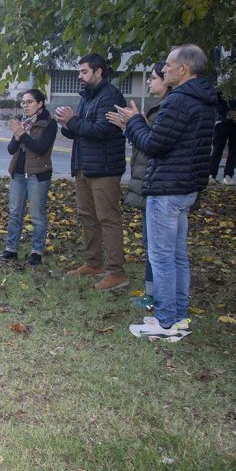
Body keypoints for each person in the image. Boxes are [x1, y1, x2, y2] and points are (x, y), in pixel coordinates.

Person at [111, 44, 216, 342]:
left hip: (168, 189)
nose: (164, 69)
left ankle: (166, 321)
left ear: (183, 68)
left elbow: (155, 145)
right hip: (186, 188)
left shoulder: (178, 101)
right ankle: (178, 315)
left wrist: (132, 122)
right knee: (177, 256)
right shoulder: (204, 99)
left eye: (168, 65)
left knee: (162, 257)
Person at [55, 53, 128, 291]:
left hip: (104, 168)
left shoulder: (111, 96)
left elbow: (103, 130)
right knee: (87, 215)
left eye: (84, 72)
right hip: (84, 166)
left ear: (98, 72)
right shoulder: (88, 97)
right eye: (80, 72)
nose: (80, 76)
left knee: (108, 218)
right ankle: (93, 263)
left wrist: (73, 121)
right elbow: (80, 131)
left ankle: (116, 272)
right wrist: (67, 125)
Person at [107, 62, 170, 310]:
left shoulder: (168, 109)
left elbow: (155, 145)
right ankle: (152, 294)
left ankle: (160, 300)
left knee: (158, 247)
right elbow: (146, 142)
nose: (149, 82)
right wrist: (130, 127)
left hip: (159, 186)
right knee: (151, 243)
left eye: (153, 78)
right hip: (151, 183)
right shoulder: (160, 108)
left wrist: (135, 124)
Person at [0, 88, 57, 266]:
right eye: (23, 102)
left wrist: (21, 134)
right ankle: (11, 249)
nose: (26, 106)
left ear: (40, 103)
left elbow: (41, 148)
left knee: (37, 215)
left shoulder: (49, 123)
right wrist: (18, 135)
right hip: (18, 173)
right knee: (15, 212)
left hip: (38, 174)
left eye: (29, 102)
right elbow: (11, 150)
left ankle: (36, 251)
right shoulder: (23, 122)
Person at [208, 92, 236, 184]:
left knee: (234, 149)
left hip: (234, 122)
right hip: (222, 121)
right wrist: (226, 112)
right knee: (217, 148)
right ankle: (211, 175)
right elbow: (216, 103)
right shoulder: (219, 90)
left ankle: (228, 175)